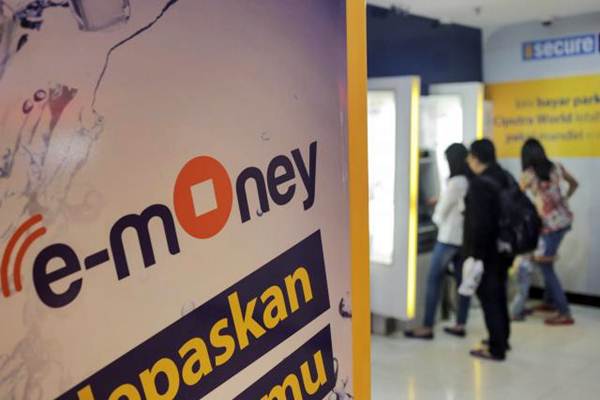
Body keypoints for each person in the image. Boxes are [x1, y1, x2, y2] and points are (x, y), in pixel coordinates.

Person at [405, 144, 472, 340]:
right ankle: (460, 323)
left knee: (434, 280)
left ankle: (427, 326)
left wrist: (434, 213)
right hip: (463, 240)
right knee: (462, 283)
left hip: (448, 239)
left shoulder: (456, 182)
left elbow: (440, 214)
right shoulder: (468, 180)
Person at [512, 138, 578, 325]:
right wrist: (564, 198)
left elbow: (515, 197)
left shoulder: (529, 174)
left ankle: (564, 312)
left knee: (545, 266)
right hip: (564, 220)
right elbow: (574, 183)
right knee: (547, 261)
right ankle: (549, 301)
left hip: (549, 226)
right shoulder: (556, 167)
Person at [463, 139, 513, 361]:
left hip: (487, 252)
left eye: (469, 156)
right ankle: (502, 338)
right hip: (505, 247)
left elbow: (480, 225)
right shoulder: (504, 175)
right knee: (499, 295)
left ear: (475, 158)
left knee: (489, 298)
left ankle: (496, 348)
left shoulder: (479, 184)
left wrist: (476, 256)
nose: (467, 160)